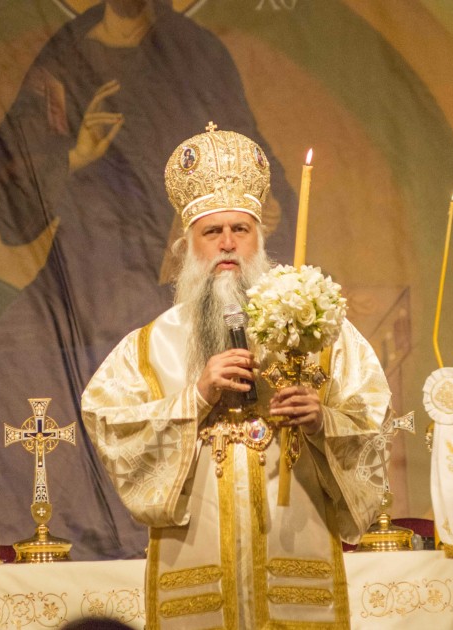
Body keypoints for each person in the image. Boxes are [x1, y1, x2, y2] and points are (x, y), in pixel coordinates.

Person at [0, 0, 296, 560]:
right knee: (5, 356)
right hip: (86, 260)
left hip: (179, 270)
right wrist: (74, 156)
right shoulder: (67, 54)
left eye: (237, 231)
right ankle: (56, 533)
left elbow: (252, 158)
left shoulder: (197, 52)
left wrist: (259, 209)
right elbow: (5, 196)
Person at [82, 125, 392, 628]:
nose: (227, 244)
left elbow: (372, 420)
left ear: (259, 239)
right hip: (196, 562)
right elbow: (110, 425)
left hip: (295, 549)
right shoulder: (151, 345)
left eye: (240, 230)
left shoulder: (318, 329)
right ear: (188, 246)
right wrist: (196, 396)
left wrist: (322, 421)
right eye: (212, 232)